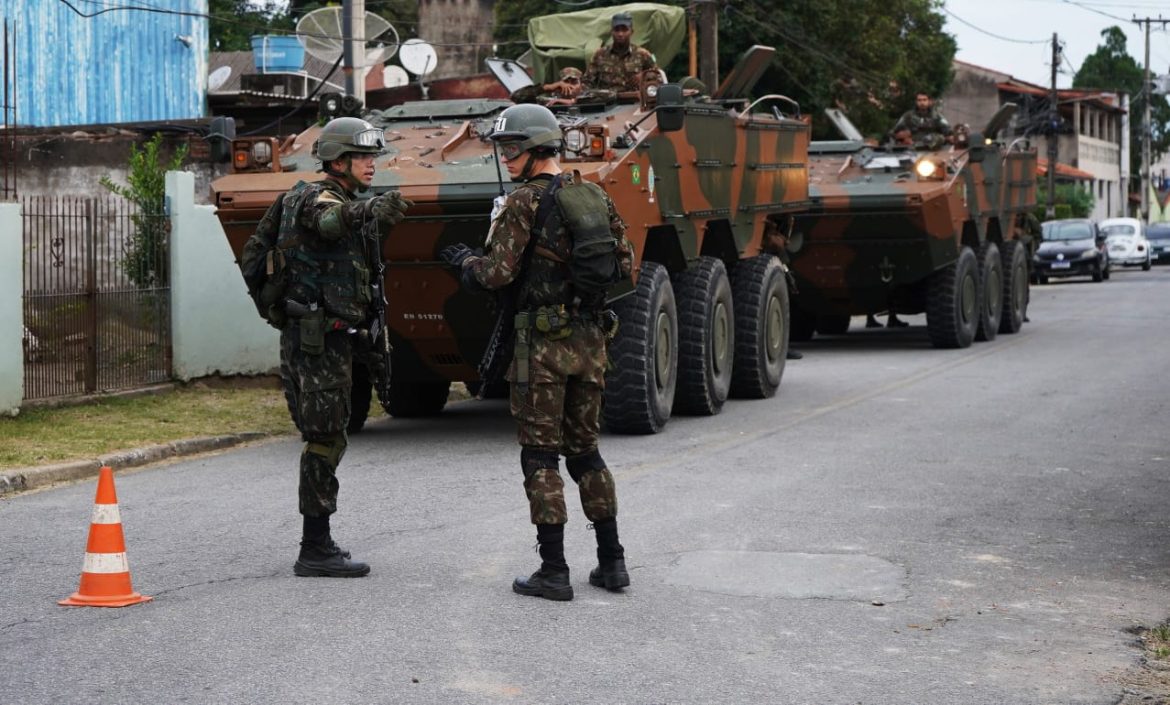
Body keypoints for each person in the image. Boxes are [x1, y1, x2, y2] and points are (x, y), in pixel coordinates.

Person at [439, 104, 634, 602]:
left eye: (511, 149)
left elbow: (496, 275)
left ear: (533, 150)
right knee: (586, 451)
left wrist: (464, 262)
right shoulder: (593, 193)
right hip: (590, 343)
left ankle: (553, 570)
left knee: (540, 455)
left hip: (542, 348)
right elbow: (625, 268)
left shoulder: (522, 203)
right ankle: (613, 564)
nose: (506, 158)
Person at [260, 116, 411, 577]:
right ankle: (315, 546)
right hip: (316, 339)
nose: (372, 165)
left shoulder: (342, 196)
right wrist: (367, 212)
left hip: (332, 336)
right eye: (364, 157)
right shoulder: (315, 197)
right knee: (324, 439)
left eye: (373, 157)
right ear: (339, 161)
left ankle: (319, 540)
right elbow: (328, 222)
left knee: (333, 433)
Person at [573, 12, 658, 95]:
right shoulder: (600, 55)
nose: (620, 34)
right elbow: (588, 81)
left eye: (624, 30)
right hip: (608, 103)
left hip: (635, 101)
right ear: (612, 32)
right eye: (617, 30)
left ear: (631, 32)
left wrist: (644, 76)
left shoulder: (642, 54)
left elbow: (658, 76)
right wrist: (577, 89)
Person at [510, 66, 615, 107]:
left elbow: (611, 95)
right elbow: (516, 96)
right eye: (566, 82)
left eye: (574, 82)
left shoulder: (589, 96)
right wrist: (549, 87)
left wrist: (574, 101)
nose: (570, 86)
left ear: (580, 84)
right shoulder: (551, 101)